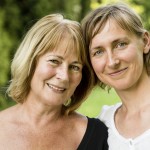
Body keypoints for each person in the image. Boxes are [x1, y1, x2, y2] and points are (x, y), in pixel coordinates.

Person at [0, 13, 108, 150]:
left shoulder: (97, 136)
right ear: (30, 62)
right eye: (54, 61)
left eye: (75, 67)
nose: (64, 76)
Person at [82, 2, 150, 150]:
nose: (112, 62)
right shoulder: (103, 123)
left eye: (120, 44)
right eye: (98, 52)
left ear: (145, 42)